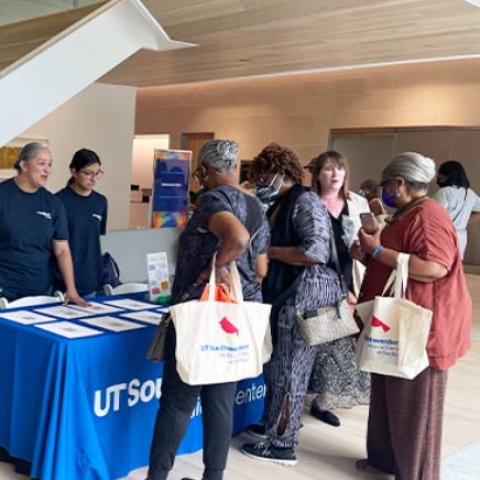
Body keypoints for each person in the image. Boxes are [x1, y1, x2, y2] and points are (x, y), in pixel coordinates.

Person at [146, 139, 269, 480]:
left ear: (208, 169)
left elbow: (238, 238)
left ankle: (156, 477)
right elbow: (261, 269)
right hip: (234, 316)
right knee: (220, 402)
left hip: (200, 313)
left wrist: (209, 269)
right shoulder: (256, 204)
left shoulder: (213, 199)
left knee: (177, 401)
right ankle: (213, 476)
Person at [355, 152, 471, 480]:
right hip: (396, 324)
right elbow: (400, 262)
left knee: (415, 406)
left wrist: (378, 250)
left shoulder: (428, 215)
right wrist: (369, 254)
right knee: (388, 396)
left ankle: (416, 472)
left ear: (399, 184)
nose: (384, 192)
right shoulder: (408, 212)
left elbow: (434, 267)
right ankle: (385, 460)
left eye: (385, 185)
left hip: (422, 327)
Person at [241, 143, 344, 465]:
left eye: (263, 175)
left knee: (292, 372)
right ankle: (272, 424)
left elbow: (315, 251)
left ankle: (282, 443)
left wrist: (269, 252)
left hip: (302, 300)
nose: (260, 181)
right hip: (284, 296)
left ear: (277, 173)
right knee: (277, 368)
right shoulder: (281, 202)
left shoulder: (304, 200)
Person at [307, 151, 370, 427]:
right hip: (315, 279)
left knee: (341, 340)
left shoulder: (358, 202)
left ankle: (326, 399)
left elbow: (371, 241)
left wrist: (362, 250)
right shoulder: (307, 203)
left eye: (339, 169)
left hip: (348, 276)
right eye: (329, 169)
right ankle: (308, 390)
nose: (335, 174)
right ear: (317, 174)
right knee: (317, 337)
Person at [0, 142, 86, 305]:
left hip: (41, 292)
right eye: (41, 163)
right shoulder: (3, 195)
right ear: (24, 165)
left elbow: (62, 251)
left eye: (50, 164)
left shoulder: (53, 204)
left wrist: (71, 288)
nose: (47, 170)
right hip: (5, 292)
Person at [56, 149, 108, 297]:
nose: (93, 179)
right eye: (88, 173)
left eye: (97, 173)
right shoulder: (57, 202)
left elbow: (94, 239)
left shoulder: (101, 202)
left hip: (91, 282)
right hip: (61, 284)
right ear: (74, 171)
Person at [433, 160, 480, 259]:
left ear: (447, 175)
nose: (438, 176)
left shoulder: (445, 192)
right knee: (455, 267)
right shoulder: (470, 193)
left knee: (439, 265)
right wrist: (464, 222)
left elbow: (434, 215)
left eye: (440, 173)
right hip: (461, 236)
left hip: (443, 235)